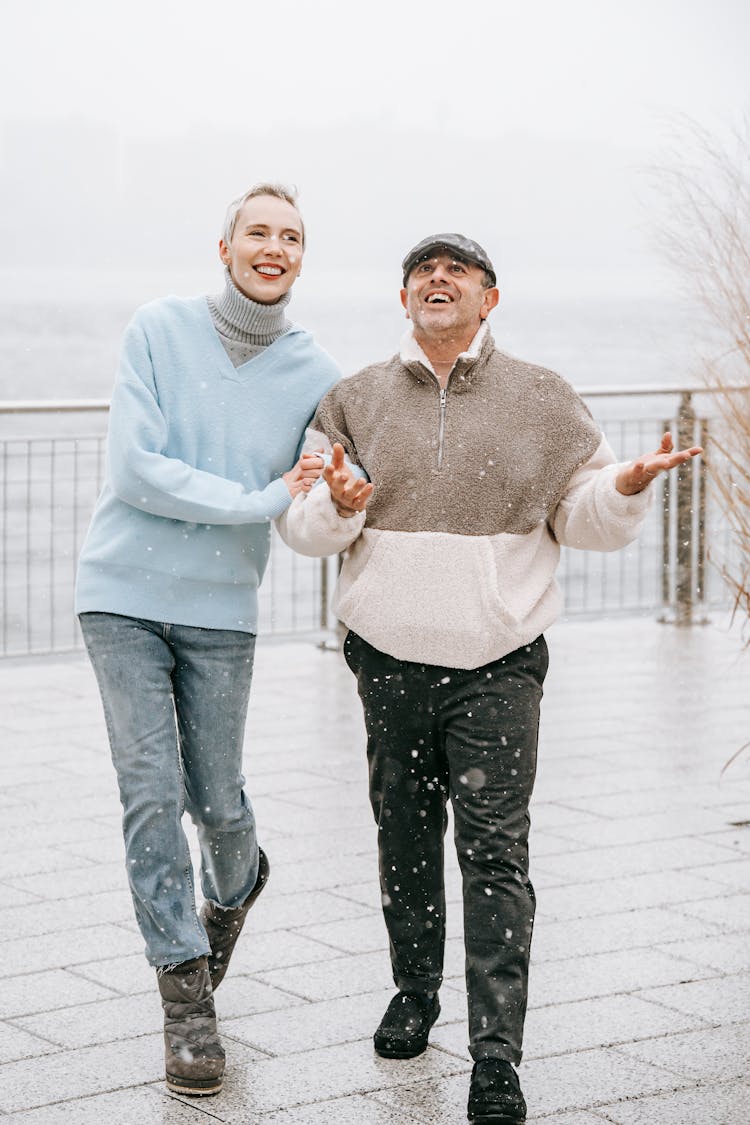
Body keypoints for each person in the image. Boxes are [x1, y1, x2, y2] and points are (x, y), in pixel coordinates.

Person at [277, 232, 702, 1125]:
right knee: (403, 834)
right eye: (423, 271)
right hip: (387, 657)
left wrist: (624, 485)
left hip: (498, 665)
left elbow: (581, 515)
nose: (439, 279)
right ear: (403, 298)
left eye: (457, 271)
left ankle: (496, 1052)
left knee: (495, 851)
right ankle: (413, 993)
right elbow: (304, 531)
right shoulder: (351, 399)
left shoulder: (542, 397)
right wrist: (334, 507)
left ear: (489, 300)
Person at [74, 183, 335, 1097]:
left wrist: (337, 488)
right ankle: (186, 998)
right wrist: (262, 498)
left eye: (291, 236)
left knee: (216, 803)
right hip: (121, 594)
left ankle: (237, 884)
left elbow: (332, 480)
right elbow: (137, 471)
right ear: (223, 246)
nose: (273, 247)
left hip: (224, 606)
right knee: (150, 793)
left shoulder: (315, 371)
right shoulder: (157, 327)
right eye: (257, 232)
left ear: (302, 257)